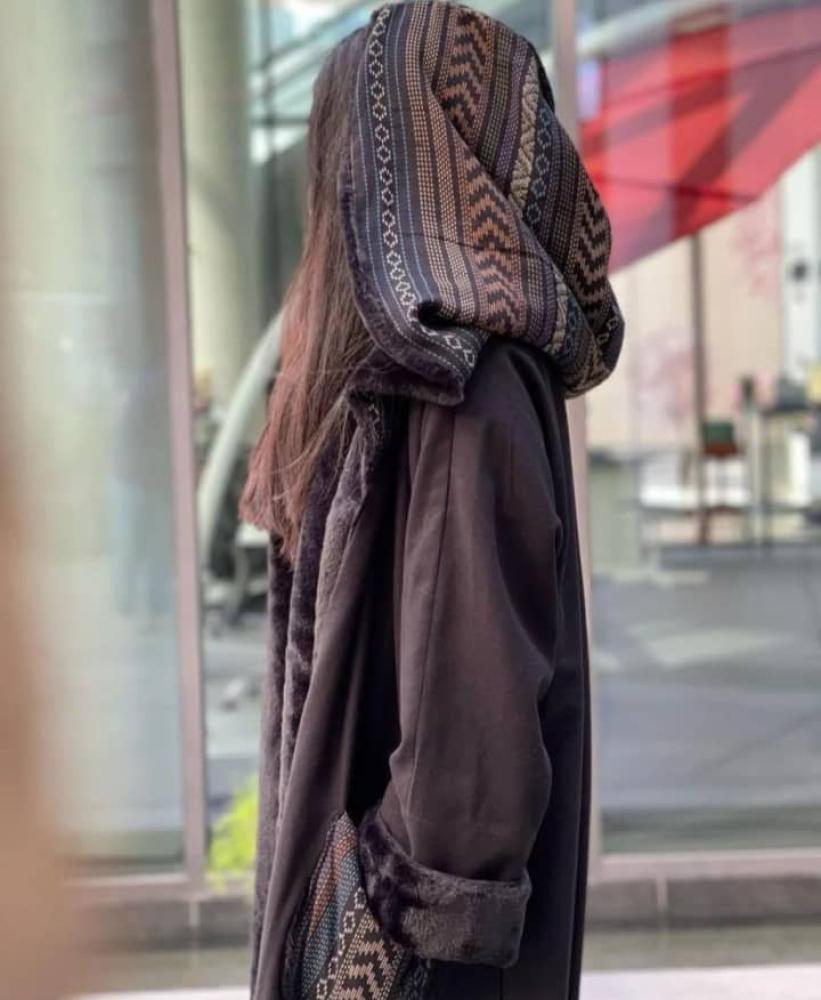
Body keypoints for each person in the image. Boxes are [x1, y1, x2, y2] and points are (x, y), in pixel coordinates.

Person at [240, 3, 624, 999]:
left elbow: (466, 755)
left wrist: (357, 953)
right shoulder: (396, 371)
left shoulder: (462, 378)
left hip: (417, 972)